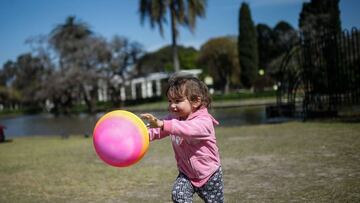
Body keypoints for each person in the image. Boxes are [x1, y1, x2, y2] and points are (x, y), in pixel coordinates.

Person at [141, 73, 224, 203]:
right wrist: (142, 135)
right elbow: (158, 131)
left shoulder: (204, 121)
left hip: (210, 175)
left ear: (196, 101)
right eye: (170, 101)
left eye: (178, 101)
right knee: (178, 195)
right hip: (186, 174)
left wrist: (163, 124)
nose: (172, 105)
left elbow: (187, 129)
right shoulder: (173, 118)